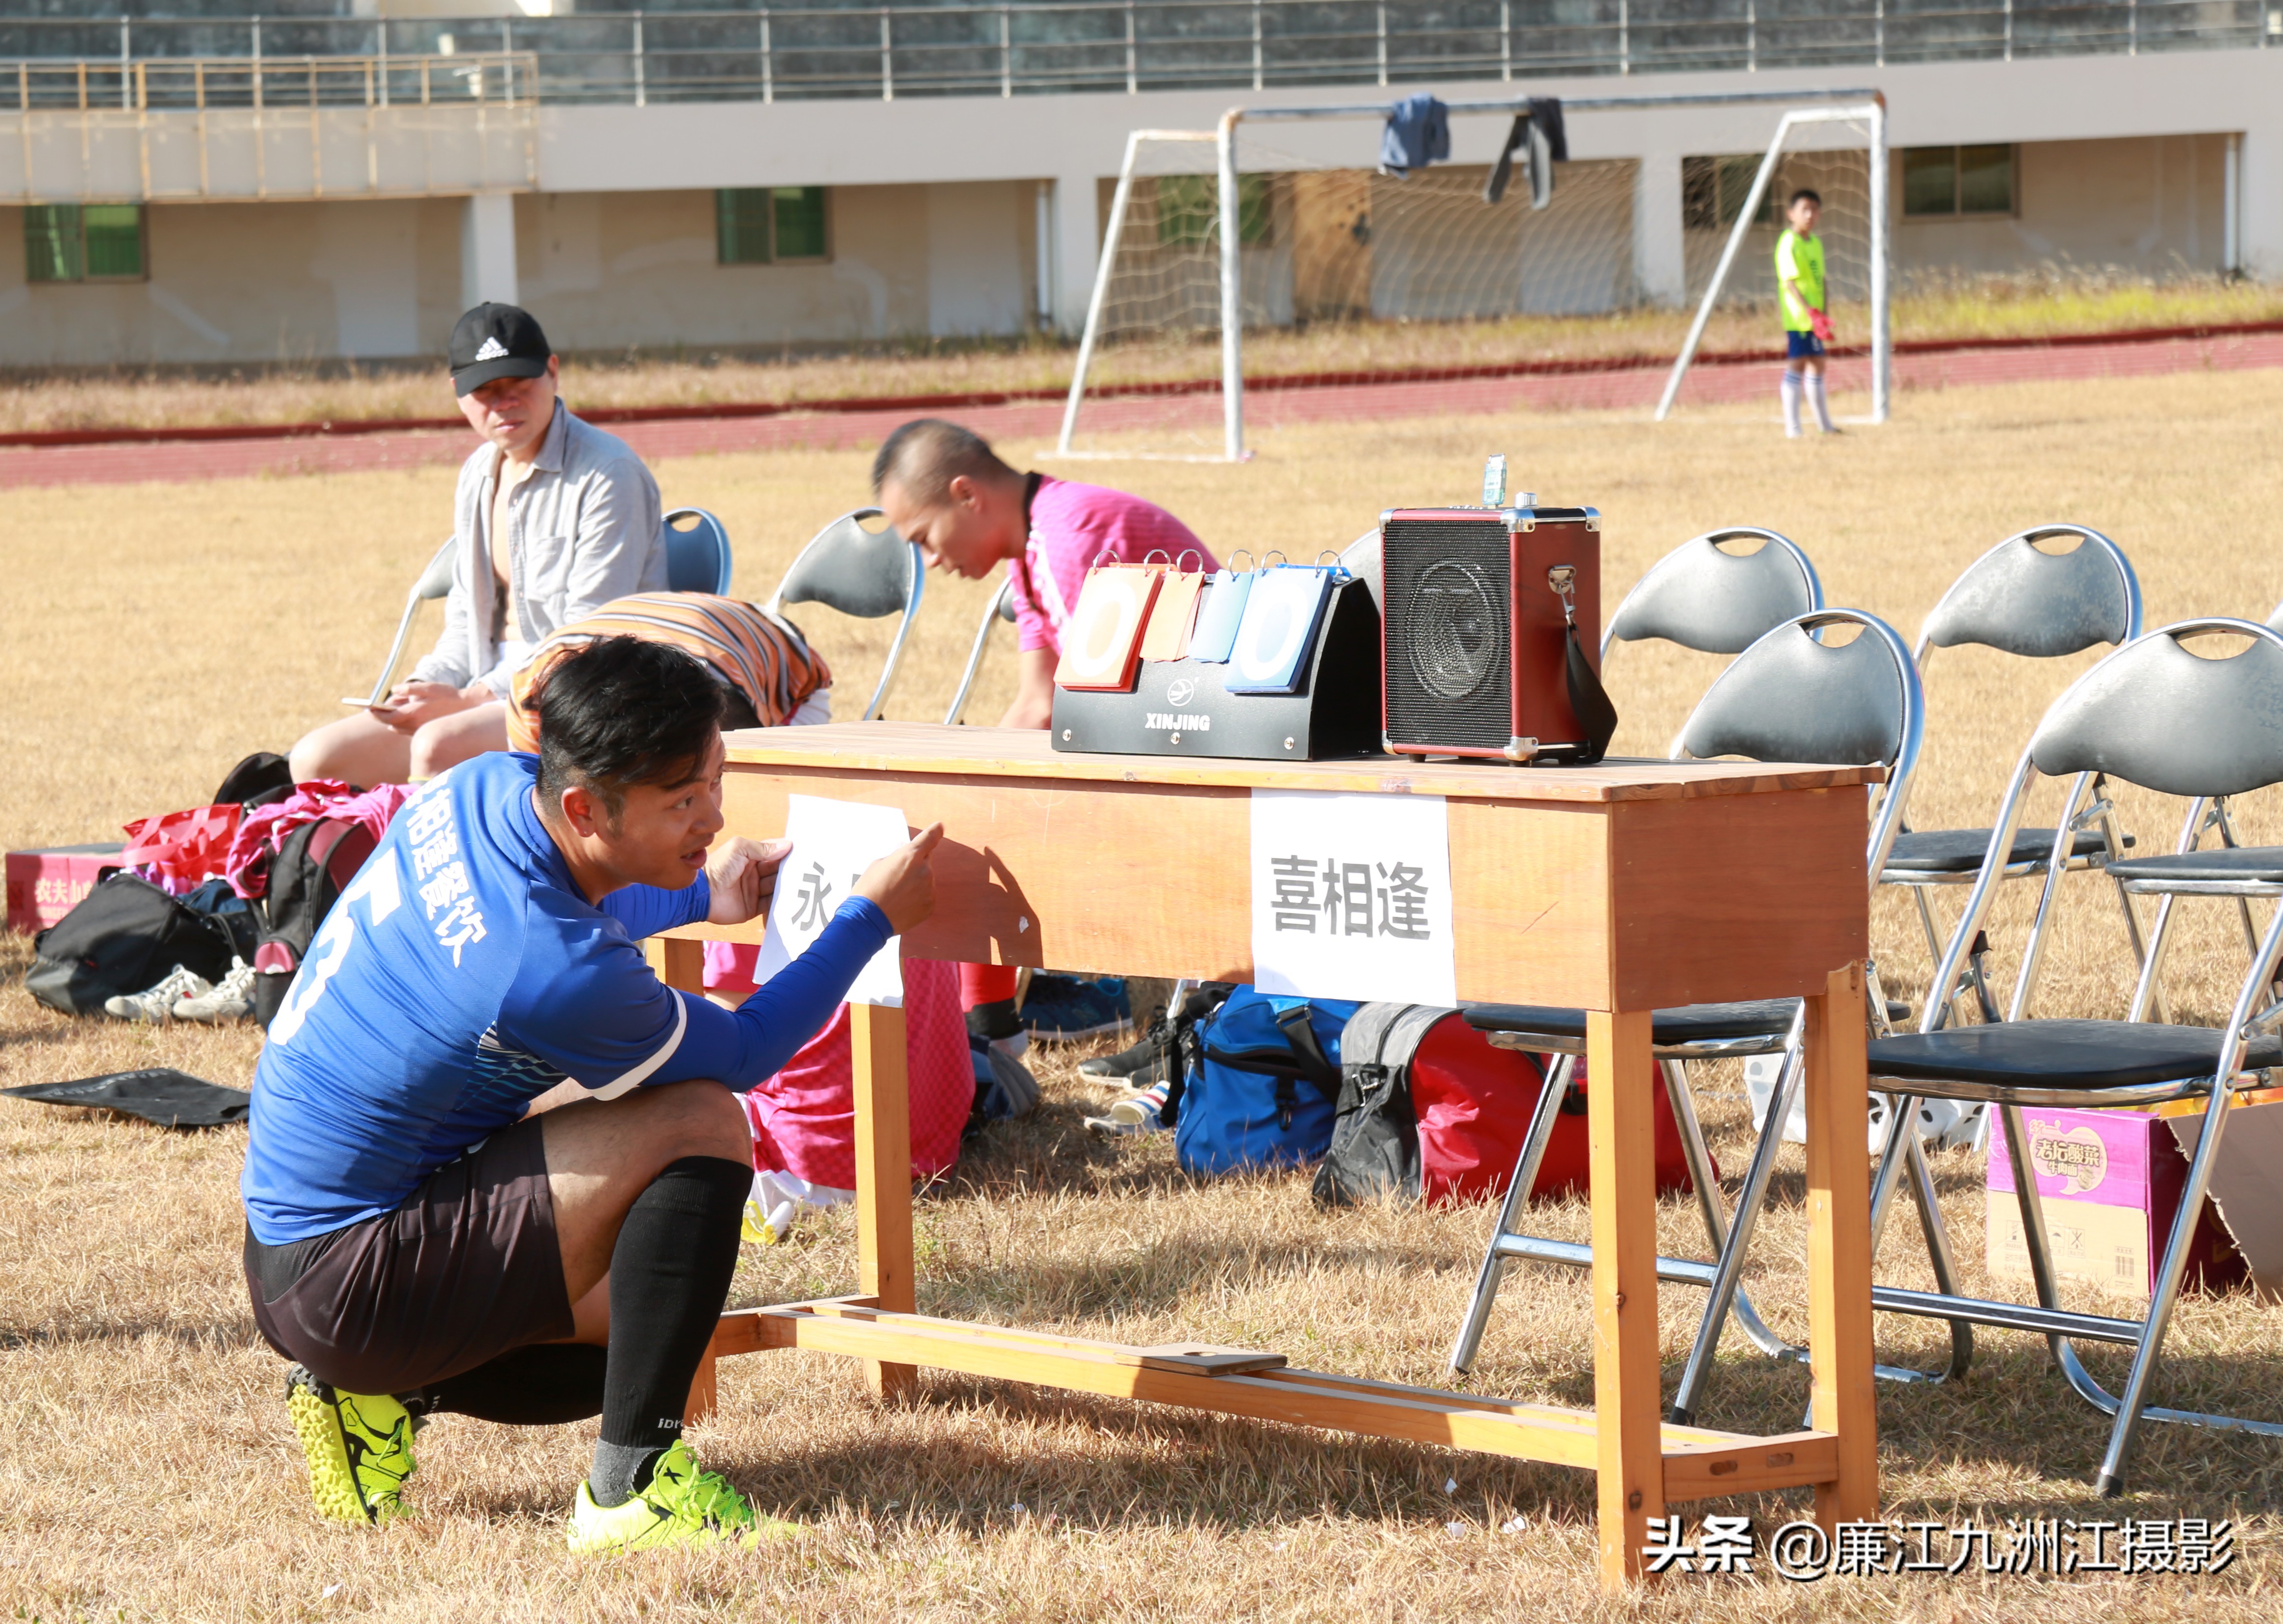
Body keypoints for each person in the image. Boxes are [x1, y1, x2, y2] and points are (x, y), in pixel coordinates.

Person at [242, 634, 942, 1550]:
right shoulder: (553, 973)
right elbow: (749, 1049)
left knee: (660, 1320)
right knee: (700, 1123)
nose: (711, 817)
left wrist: (704, 894)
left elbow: (576, 885)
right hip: (348, 1280)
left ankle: (379, 1390)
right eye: (683, 800)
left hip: (300, 1250)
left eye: (715, 783)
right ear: (584, 800)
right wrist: (868, 918)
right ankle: (629, 1491)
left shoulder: (481, 786)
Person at [871, 418, 1218, 1046]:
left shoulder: (1069, 536)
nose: (929, 559)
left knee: (983, 821)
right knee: (970, 818)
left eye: (924, 537)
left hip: (1199, 749)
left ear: (966, 495)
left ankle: (991, 1038)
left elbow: (1095, 700)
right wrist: (960, 789)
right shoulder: (1029, 554)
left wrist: (974, 798)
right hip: (1150, 737)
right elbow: (1037, 701)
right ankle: (990, 1034)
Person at [289, 304, 668, 787]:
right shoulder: (477, 474)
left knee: (437, 746)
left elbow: (584, 641)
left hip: (586, 695)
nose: (505, 403)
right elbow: (467, 619)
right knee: (318, 759)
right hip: (489, 692)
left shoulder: (608, 474)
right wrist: (431, 687)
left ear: (553, 372)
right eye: (486, 391)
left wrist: (468, 702)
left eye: (520, 385)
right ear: (459, 395)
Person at [1776, 189, 1839, 439]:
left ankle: (1825, 426)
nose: (1810, 215)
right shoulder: (1788, 242)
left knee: (1818, 364)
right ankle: (1793, 429)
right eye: (1805, 209)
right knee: (1798, 364)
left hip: (1815, 319)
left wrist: (1824, 312)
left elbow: (1821, 279)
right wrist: (1808, 310)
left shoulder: (1815, 243)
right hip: (1798, 318)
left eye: (1814, 209)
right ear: (1792, 213)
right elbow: (1789, 282)